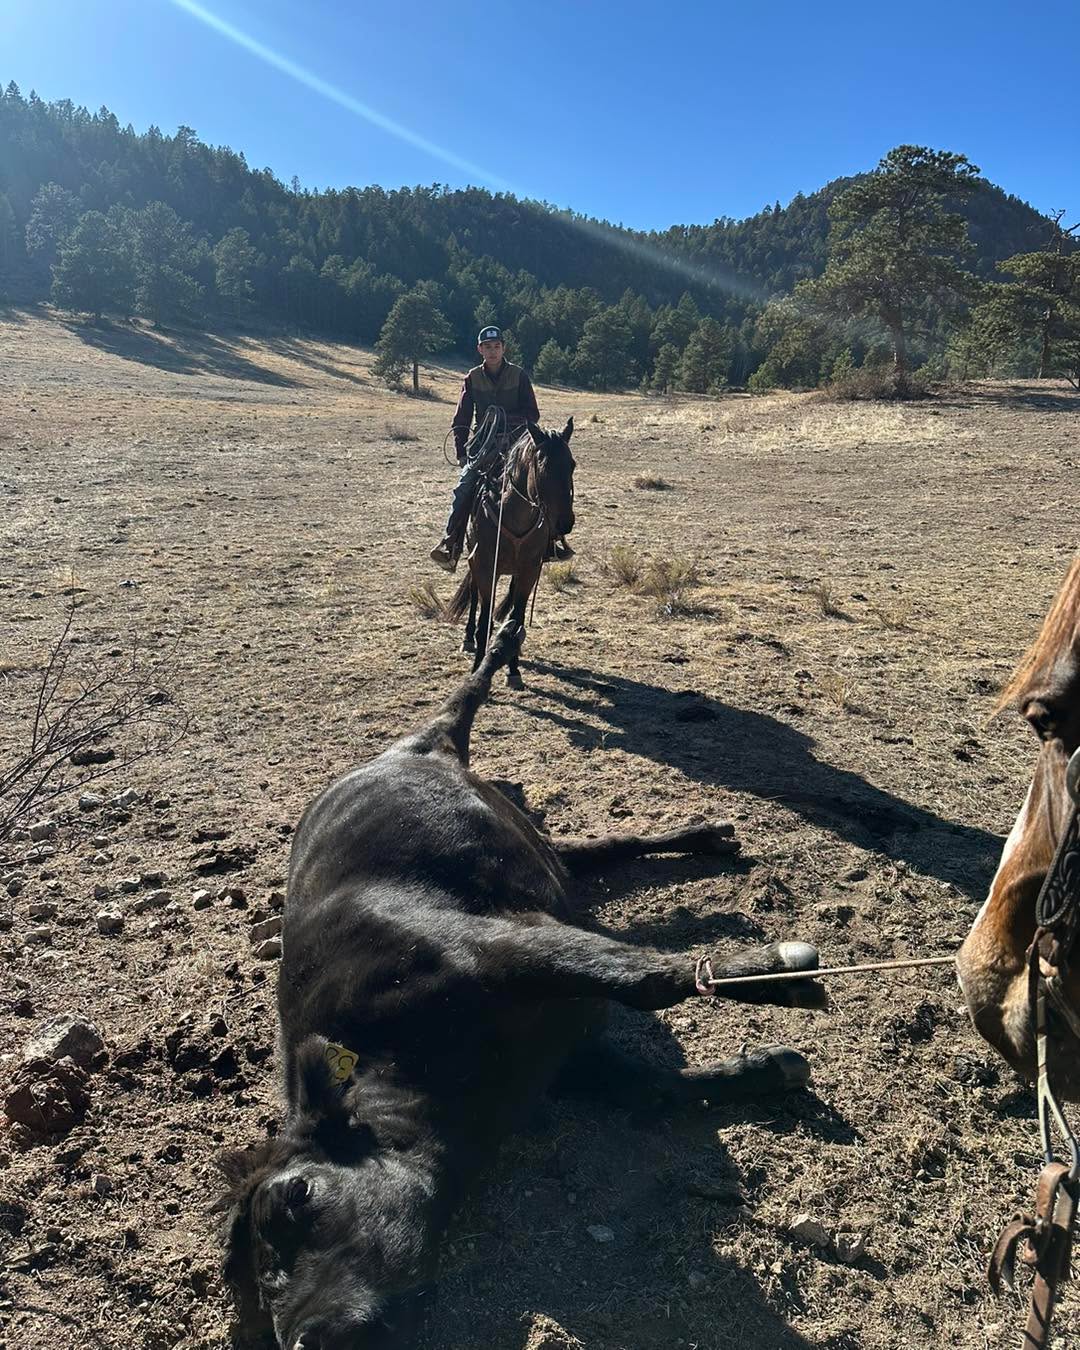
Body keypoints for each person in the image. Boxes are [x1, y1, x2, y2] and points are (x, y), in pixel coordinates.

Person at [430, 326, 571, 572]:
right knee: (464, 488)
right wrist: (462, 454)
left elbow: (532, 413)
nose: (492, 351)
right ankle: (451, 544)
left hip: (517, 446)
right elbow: (461, 419)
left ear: (503, 348)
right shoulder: (472, 378)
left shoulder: (519, 375)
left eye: (496, 347)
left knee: (543, 484)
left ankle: (553, 541)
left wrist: (506, 418)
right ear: (480, 350)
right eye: (487, 347)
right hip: (484, 446)